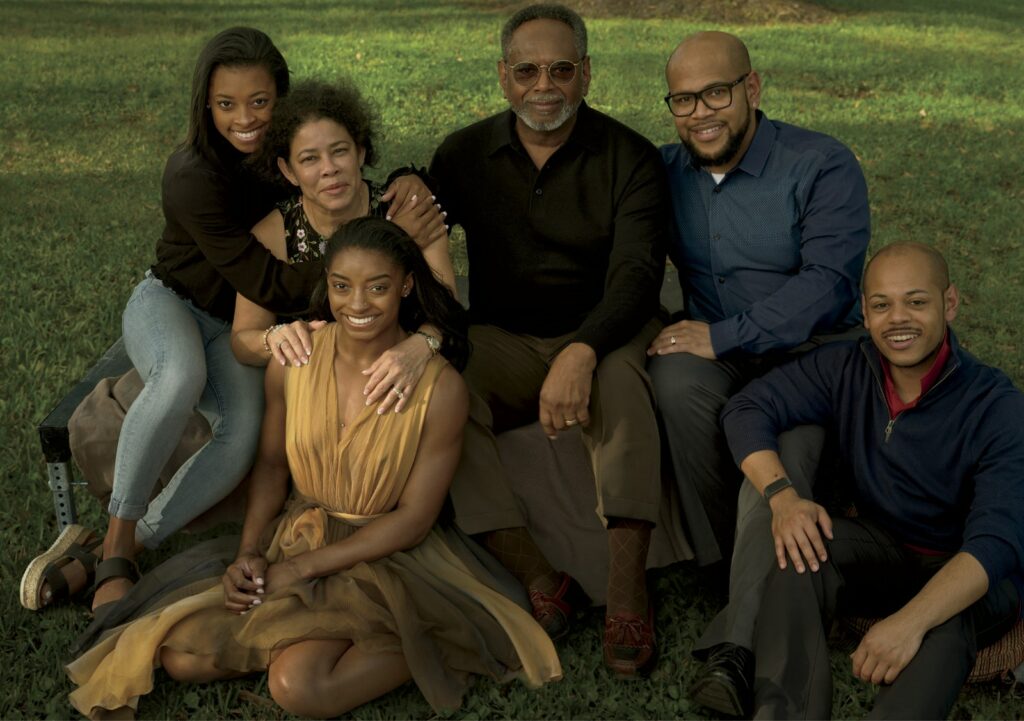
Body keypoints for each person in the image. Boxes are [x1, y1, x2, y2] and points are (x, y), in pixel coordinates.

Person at [64, 218, 562, 719]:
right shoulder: (294, 360)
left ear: (407, 286)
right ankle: (296, 633)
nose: (358, 305)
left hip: (386, 554)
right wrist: (250, 552)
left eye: (379, 287)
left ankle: (423, 636)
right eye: (342, 286)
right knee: (181, 658)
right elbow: (272, 466)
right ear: (328, 285)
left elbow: (413, 520)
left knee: (297, 686)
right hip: (301, 532)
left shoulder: (441, 389)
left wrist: (298, 570)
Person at [19, 28, 428, 615]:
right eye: (227, 104)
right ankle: (112, 546)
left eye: (260, 102)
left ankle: (132, 543)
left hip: (235, 328)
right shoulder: (192, 176)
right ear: (205, 106)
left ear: (280, 100)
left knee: (243, 432)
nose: (246, 119)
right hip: (174, 304)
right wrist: (354, 282)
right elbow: (263, 282)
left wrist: (412, 177)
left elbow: (341, 162)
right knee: (180, 375)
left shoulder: (282, 156)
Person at [428, 3, 668, 677]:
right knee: (446, 383)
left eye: (561, 69)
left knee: (621, 381)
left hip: (608, 329)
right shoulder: (465, 153)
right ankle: (540, 576)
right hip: (505, 336)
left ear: (586, 74)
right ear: (504, 77)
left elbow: (638, 276)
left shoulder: (631, 158)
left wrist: (583, 348)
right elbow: (411, 219)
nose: (545, 85)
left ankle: (627, 590)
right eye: (528, 70)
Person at [697, 242, 1024, 718]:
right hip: (887, 545)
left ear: (949, 303)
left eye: (916, 301)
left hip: (970, 572)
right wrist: (783, 497)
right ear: (865, 314)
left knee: (946, 625)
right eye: (881, 305)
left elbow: (996, 544)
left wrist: (908, 623)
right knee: (800, 550)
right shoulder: (848, 367)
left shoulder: (998, 406)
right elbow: (748, 407)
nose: (898, 319)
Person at [645, 30, 870, 700]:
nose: (700, 113)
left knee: (782, 448)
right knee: (674, 379)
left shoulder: (821, 164)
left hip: (813, 360)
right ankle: (729, 568)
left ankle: (736, 645)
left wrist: (725, 333)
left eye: (715, 92)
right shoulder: (665, 172)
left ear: (752, 87)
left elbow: (828, 283)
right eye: (683, 100)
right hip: (717, 360)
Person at [230, 79, 454, 417]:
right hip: (317, 390)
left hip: (404, 379)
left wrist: (420, 346)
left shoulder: (407, 211)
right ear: (288, 171)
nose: (329, 168)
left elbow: (449, 308)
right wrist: (273, 339)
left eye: (339, 151)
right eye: (309, 159)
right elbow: (243, 338)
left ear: (360, 152)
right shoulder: (272, 234)